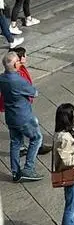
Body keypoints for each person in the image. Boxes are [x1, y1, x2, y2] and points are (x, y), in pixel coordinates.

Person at [0, 49, 43, 181]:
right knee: (36, 139)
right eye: (18, 61)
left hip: (10, 116)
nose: (19, 63)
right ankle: (28, 169)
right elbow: (34, 92)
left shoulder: (2, 78)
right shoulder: (18, 80)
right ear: (14, 65)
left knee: (15, 143)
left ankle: (15, 172)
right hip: (23, 116)